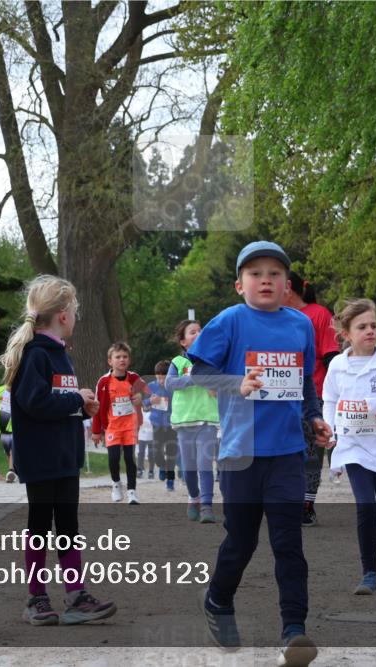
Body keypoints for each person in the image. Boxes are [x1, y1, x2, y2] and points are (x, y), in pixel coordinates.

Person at [191, 241, 331, 667]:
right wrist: (238, 384)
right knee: (243, 541)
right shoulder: (230, 322)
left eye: (274, 273)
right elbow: (199, 373)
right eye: (255, 273)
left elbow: (305, 382)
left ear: (288, 285)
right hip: (241, 455)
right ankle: (217, 598)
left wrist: (315, 417)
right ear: (239, 284)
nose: (266, 279)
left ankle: (293, 632)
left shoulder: (300, 326)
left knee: (289, 544)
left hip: (288, 453)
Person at [0, 275, 117, 627]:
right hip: (40, 458)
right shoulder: (35, 354)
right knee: (39, 525)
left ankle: (76, 595)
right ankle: (36, 598)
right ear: (63, 315)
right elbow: (34, 401)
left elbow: (58, 402)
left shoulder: (60, 356)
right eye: (76, 311)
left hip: (65, 457)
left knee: (68, 526)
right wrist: (74, 398)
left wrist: (83, 406)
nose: (77, 317)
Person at [322, 298, 376, 595]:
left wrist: (371, 406)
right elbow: (330, 399)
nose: (370, 331)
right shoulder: (337, 365)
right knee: (365, 505)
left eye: (373, 325)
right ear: (346, 333)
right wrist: (329, 427)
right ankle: (369, 571)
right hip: (352, 446)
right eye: (362, 327)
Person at [284, 270, 341, 526]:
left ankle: (306, 505)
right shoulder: (273, 317)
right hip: (280, 396)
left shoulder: (318, 314)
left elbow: (331, 356)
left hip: (313, 393)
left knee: (310, 454)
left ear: (289, 288)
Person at [167, 320, 221, 523]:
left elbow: (218, 388)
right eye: (193, 332)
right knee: (189, 468)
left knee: (204, 464)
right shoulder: (178, 363)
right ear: (183, 341)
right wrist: (193, 379)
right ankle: (194, 498)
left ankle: (207, 505)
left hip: (207, 419)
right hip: (184, 422)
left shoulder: (212, 362)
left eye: (201, 331)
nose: (198, 333)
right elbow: (171, 384)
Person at [91, 342, 148, 505]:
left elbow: (149, 393)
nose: (121, 360)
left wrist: (141, 398)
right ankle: (116, 484)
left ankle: (132, 491)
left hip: (130, 426)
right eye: (118, 357)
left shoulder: (134, 378)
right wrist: (96, 431)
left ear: (129, 360)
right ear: (110, 361)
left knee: (130, 459)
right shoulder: (103, 382)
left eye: (125, 357)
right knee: (113, 458)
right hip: (113, 426)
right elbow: (97, 406)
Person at [147, 360, 177, 490]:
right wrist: (149, 400)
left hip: (172, 425)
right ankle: (161, 466)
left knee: (171, 453)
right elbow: (141, 401)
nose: (160, 381)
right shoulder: (151, 386)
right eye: (158, 377)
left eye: (163, 378)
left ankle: (170, 479)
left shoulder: (174, 388)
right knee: (156, 452)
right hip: (157, 425)